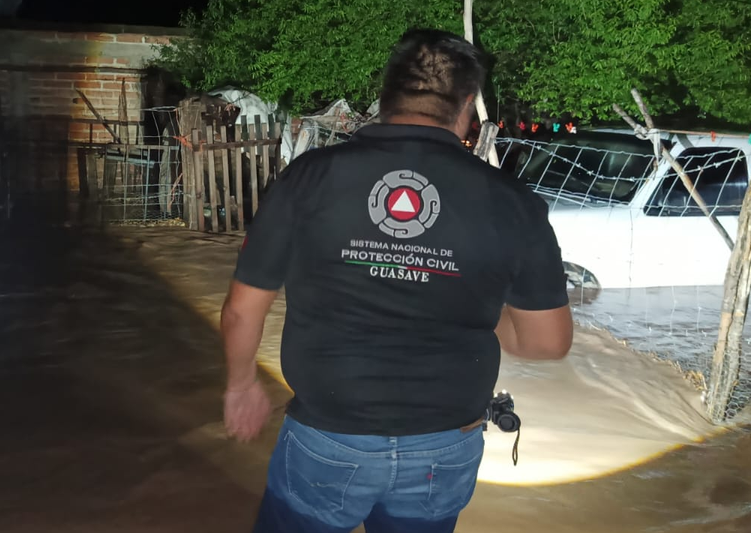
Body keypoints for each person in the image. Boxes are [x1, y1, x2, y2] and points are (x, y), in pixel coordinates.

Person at [220, 28, 575, 533]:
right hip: (446, 444)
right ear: (468, 105)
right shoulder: (510, 200)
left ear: (383, 98)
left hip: (327, 436)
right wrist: (470, 303)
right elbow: (547, 343)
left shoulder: (310, 177)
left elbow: (241, 310)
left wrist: (240, 386)